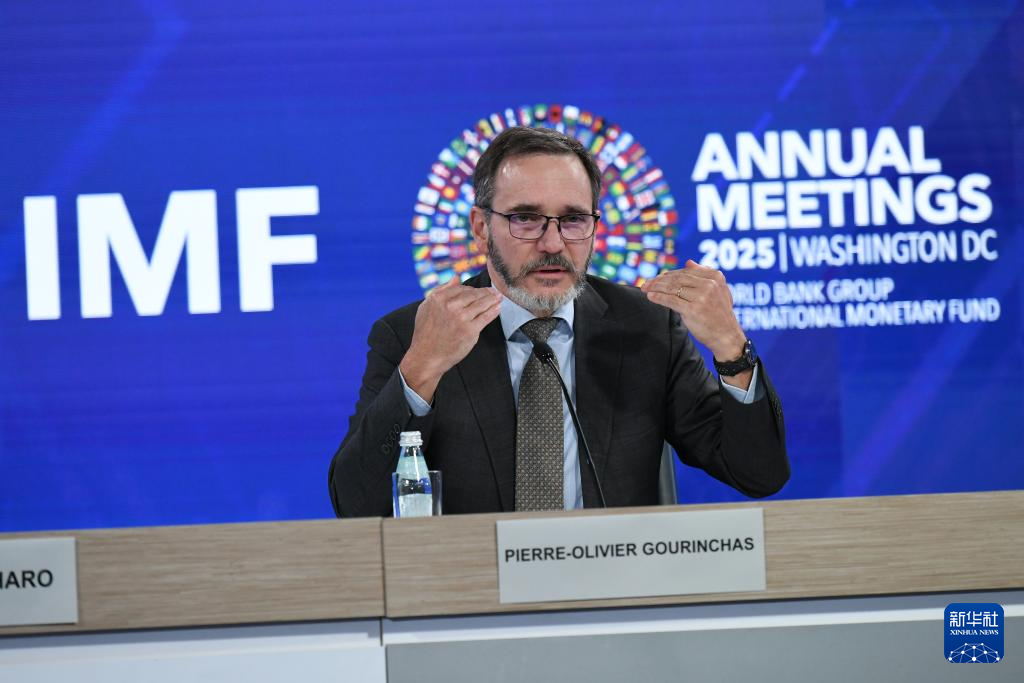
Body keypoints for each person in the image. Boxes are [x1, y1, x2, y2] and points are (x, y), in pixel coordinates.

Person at [328, 126, 788, 517]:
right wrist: (421, 370)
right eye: (526, 219)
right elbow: (356, 505)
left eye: (572, 220)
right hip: (474, 588)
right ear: (481, 228)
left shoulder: (645, 327)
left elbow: (759, 474)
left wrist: (731, 349)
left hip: (615, 584)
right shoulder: (415, 335)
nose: (552, 244)